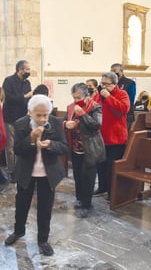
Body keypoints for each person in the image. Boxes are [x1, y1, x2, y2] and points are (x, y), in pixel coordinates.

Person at [4, 94, 68, 256]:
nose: (42, 119)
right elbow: (17, 149)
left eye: (45, 115)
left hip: (48, 172)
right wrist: (30, 139)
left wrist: (51, 144)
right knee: (22, 204)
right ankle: (18, 231)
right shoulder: (21, 124)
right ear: (29, 113)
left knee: (45, 207)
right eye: (38, 115)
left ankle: (43, 240)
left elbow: (64, 147)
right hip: (27, 171)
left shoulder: (55, 123)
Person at [63, 83, 105, 218]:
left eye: (79, 97)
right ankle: (80, 199)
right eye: (74, 97)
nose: (76, 100)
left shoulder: (95, 107)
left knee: (88, 177)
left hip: (90, 148)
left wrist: (82, 114)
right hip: (75, 147)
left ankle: (87, 204)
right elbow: (64, 121)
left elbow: (96, 125)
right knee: (78, 175)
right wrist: (66, 124)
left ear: (87, 96)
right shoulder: (70, 107)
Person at [94, 72, 130, 199]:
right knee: (101, 165)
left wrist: (108, 97)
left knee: (111, 167)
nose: (103, 86)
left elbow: (124, 109)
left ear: (115, 84)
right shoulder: (98, 95)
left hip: (116, 138)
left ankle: (112, 192)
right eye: (101, 83)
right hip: (101, 137)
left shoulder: (122, 94)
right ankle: (102, 187)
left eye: (106, 84)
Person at [2, 60, 33, 182]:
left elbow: (28, 100)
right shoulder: (8, 81)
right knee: (10, 146)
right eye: (27, 69)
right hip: (10, 117)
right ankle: (11, 171)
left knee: (22, 144)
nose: (28, 72)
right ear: (20, 70)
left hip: (23, 118)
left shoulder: (27, 83)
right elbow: (8, 98)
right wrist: (25, 97)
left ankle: (21, 168)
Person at [110, 63, 136, 133]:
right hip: (113, 114)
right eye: (111, 71)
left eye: (115, 71)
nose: (113, 73)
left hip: (126, 115)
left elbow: (131, 100)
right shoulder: (111, 83)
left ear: (121, 71)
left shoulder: (129, 82)